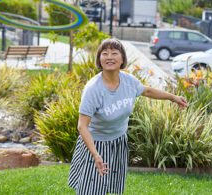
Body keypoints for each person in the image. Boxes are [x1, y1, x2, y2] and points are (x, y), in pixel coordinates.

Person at [68, 38, 188, 195]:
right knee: (91, 189)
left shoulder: (128, 81)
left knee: (108, 186)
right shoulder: (93, 89)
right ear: (99, 59)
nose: (109, 56)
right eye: (104, 53)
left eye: (114, 53)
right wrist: (96, 154)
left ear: (122, 59)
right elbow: (82, 126)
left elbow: (147, 91)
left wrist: (173, 97)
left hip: (117, 141)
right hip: (95, 144)